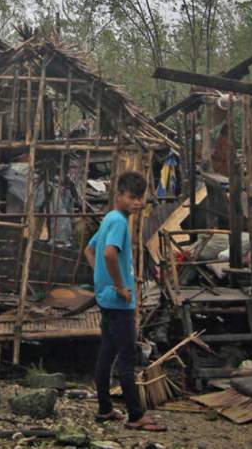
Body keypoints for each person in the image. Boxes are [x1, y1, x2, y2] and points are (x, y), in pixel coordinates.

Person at [84, 171, 165, 432]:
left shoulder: (109, 218)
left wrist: (103, 281)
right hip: (119, 302)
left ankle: (105, 409)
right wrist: (119, 286)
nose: (137, 203)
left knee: (106, 354)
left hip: (106, 298)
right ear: (118, 195)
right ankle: (135, 415)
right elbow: (107, 253)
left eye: (140, 198)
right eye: (132, 197)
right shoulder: (118, 221)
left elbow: (90, 249)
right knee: (127, 359)